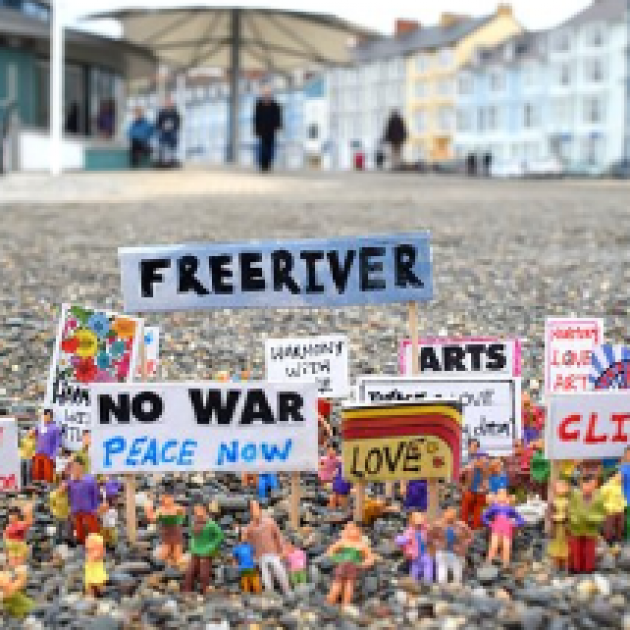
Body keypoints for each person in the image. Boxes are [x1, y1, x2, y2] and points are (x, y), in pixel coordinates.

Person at [243, 500, 291, 595]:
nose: (255, 511)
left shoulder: (270, 522)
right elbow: (247, 543)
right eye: (252, 509)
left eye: (256, 508)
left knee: (279, 571)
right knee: (266, 577)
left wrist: (283, 549)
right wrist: (252, 556)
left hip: (273, 553)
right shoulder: (249, 527)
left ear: (260, 509)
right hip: (260, 556)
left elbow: (278, 536)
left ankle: (288, 591)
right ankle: (270, 595)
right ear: (250, 512)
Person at [326, 522, 375, 606]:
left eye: (353, 529)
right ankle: (330, 602)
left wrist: (363, 564)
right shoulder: (343, 542)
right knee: (337, 583)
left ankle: (344, 605)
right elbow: (330, 551)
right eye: (347, 529)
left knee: (349, 584)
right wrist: (336, 558)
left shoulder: (362, 545)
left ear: (360, 532)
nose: (349, 531)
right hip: (343, 565)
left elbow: (371, 558)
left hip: (353, 566)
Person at [567, 473, 606, 573]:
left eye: (594, 485)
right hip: (576, 528)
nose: (592, 487)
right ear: (582, 484)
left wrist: (593, 518)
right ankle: (575, 568)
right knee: (575, 549)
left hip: (591, 529)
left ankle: (588, 569)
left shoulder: (599, 496)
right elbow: (570, 510)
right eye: (589, 484)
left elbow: (602, 514)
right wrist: (574, 518)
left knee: (589, 550)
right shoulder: (575, 495)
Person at [183, 503, 224, 594]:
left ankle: (204, 590)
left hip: (207, 550)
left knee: (204, 572)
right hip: (196, 550)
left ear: (204, 510)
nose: (196, 512)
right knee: (190, 570)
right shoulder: (194, 522)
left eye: (198, 510)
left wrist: (212, 546)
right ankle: (187, 589)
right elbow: (192, 535)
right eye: (195, 510)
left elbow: (220, 536)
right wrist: (192, 543)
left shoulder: (210, 523)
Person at [428, 506, 473, 584]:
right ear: (445, 513)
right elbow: (430, 536)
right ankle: (442, 587)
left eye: (453, 514)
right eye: (449, 513)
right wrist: (437, 544)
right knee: (442, 571)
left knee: (457, 573)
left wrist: (463, 545)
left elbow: (470, 536)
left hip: (456, 552)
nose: (451, 516)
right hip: (442, 551)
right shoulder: (437, 525)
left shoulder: (461, 525)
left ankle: (456, 586)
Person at [144, 485, 186, 567]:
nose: (167, 500)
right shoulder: (160, 509)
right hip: (166, 535)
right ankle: (163, 567)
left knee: (177, 557)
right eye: (165, 498)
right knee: (164, 554)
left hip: (176, 534)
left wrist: (179, 519)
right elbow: (153, 519)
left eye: (169, 498)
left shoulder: (178, 508)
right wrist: (148, 510)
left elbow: (182, 517)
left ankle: (174, 569)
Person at [482, 488, 526, 567]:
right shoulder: (494, 507)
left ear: (507, 497)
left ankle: (505, 566)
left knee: (506, 548)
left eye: (503, 494)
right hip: (497, 528)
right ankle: (488, 564)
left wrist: (514, 524)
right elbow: (484, 517)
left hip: (507, 529)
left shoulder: (510, 508)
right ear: (496, 496)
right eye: (499, 494)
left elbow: (521, 519)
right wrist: (490, 524)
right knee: (493, 546)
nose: (501, 496)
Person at [62, 458, 101, 545]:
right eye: (73, 467)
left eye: (76, 466)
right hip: (76, 510)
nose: (74, 469)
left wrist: (96, 508)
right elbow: (66, 495)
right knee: (79, 530)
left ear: (82, 467)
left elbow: (95, 494)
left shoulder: (90, 480)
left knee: (93, 530)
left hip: (89, 510)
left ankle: (96, 546)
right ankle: (82, 546)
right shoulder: (70, 482)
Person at [395, 512, 433, 583]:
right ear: (412, 520)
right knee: (415, 570)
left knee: (428, 566)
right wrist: (406, 539)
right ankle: (413, 583)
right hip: (414, 556)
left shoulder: (424, 529)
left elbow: (430, 532)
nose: (419, 520)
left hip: (424, 554)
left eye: (420, 518)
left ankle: (428, 583)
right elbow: (399, 540)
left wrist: (425, 522)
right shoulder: (409, 531)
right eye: (417, 518)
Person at [253, 84, 282, 172]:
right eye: (265, 93)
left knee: (270, 147)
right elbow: (256, 118)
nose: (266, 95)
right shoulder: (259, 105)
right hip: (262, 130)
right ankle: (263, 165)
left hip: (271, 129)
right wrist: (256, 129)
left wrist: (278, 126)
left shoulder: (275, 105)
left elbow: (278, 117)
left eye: (268, 93)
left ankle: (268, 164)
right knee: (262, 147)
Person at [31, 408, 61, 484]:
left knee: (48, 474)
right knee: (37, 473)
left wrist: (53, 455)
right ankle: (37, 486)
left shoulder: (55, 428)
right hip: (38, 453)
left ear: (51, 417)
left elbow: (57, 443)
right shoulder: (39, 426)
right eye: (44, 416)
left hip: (48, 454)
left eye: (47, 416)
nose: (45, 417)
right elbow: (33, 435)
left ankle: (47, 488)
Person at [156, 95, 181, 168]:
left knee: (173, 141)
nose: (168, 103)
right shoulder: (161, 112)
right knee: (161, 143)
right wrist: (162, 127)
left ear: (172, 103)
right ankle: (161, 160)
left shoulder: (175, 112)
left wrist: (173, 126)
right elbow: (158, 123)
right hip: (163, 131)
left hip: (172, 131)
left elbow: (178, 122)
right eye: (166, 102)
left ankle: (172, 160)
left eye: (169, 102)